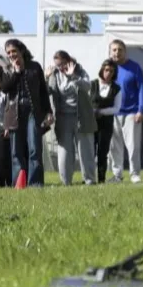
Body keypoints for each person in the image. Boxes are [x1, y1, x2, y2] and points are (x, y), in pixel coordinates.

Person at [2, 39, 53, 187]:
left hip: (33, 111)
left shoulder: (35, 67)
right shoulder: (6, 69)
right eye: (9, 52)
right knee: (16, 151)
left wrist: (48, 111)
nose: (12, 55)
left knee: (34, 148)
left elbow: (43, 91)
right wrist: (16, 72)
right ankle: (19, 182)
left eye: (14, 51)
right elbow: (5, 88)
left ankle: (35, 183)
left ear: (21, 50)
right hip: (14, 113)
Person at [47, 51, 97, 186]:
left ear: (69, 61)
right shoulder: (55, 75)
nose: (61, 68)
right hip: (63, 117)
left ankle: (90, 180)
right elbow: (47, 92)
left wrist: (74, 76)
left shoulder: (79, 70)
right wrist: (46, 78)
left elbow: (88, 86)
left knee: (85, 151)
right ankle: (65, 182)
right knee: (64, 151)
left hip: (82, 116)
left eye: (63, 64)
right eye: (58, 66)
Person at [108, 40, 143, 183]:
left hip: (132, 112)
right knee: (114, 146)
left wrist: (141, 110)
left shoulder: (134, 67)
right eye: (114, 50)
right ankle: (117, 175)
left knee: (133, 145)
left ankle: (134, 174)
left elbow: (142, 88)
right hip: (113, 113)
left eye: (119, 50)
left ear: (125, 51)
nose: (116, 52)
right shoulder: (107, 68)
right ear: (110, 52)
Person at [90, 59, 122, 183]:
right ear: (102, 70)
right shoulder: (92, 84)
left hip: (106, 124)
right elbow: (86, 102)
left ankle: (101, 179)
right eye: (106, 70)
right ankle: (89, 178)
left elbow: (116, 108)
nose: (108, 73)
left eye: (111, 71)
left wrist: (101, 112)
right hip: (91, 123)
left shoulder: (116, 88)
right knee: (90, 152)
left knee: (102, 152)